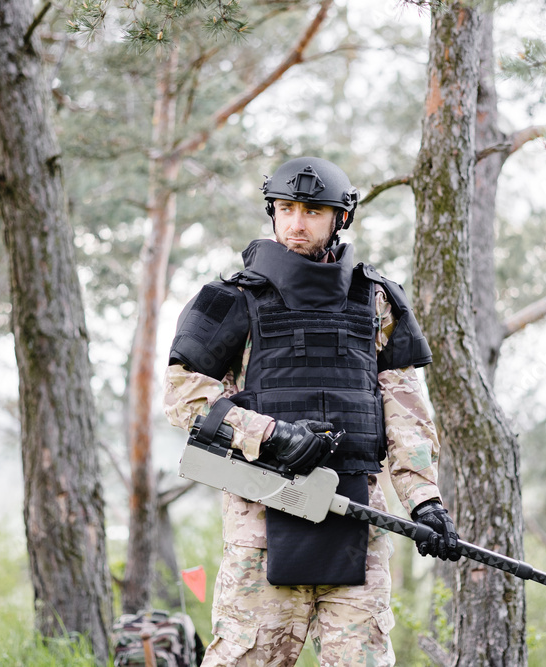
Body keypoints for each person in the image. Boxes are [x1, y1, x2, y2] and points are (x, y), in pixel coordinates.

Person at [164, 156, 458, 666]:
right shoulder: (232, 299)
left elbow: (405, 410)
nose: (297, 223)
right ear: (272, 212)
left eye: (312, 211)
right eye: (286, 209)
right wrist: (270, 435)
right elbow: (183, 395)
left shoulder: (377, 301)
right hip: (262, 522)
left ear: (340, 218)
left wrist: (424, 501)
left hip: (357, 524)